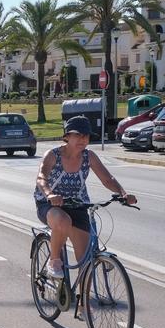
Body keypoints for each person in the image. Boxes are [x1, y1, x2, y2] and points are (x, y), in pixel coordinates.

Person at [34, 116, 136, 278]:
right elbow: (41, 177)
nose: (83, 139)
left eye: (86, 136)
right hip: (50, 204)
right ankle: (54, 261)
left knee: (86, 263)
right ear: (67, 136)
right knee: (62, 221)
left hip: (77, 205)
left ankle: (83, 303)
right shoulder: (53, 155)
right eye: (78, 135)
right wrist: (50, 194)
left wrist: (123, 193)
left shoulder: (89, 156)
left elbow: (107, 179)